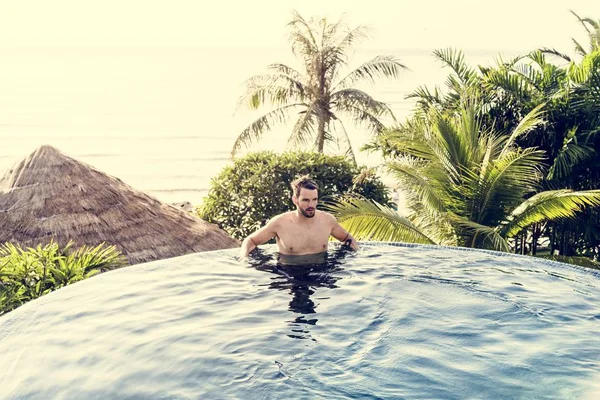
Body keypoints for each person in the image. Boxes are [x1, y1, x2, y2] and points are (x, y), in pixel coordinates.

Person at [238, 175, 359, 261]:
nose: (311, 205)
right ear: (295, 200)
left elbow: (347, 238)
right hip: (290, 274)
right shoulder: (280, 223)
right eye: (306, 200)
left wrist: (357, 256)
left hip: (321, 274)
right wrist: (244, 258)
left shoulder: (327, 220)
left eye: (314, 200)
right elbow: (251, 240)